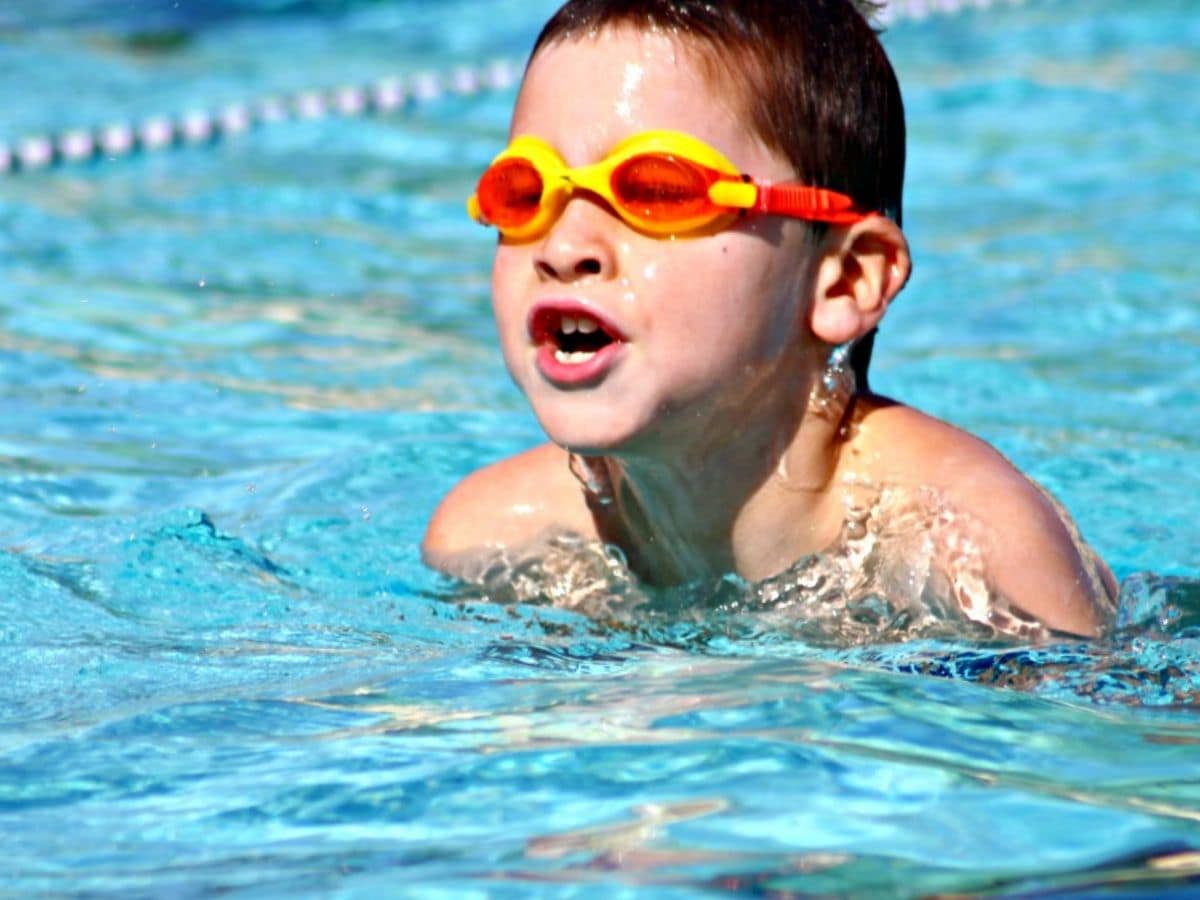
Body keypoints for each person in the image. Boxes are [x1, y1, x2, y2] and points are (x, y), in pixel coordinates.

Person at [422, 0, 1117, 637]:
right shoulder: (489, 539)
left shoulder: (970, 546)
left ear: (844, 279)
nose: (565, 248)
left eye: (658, 190)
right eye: (523, 193)